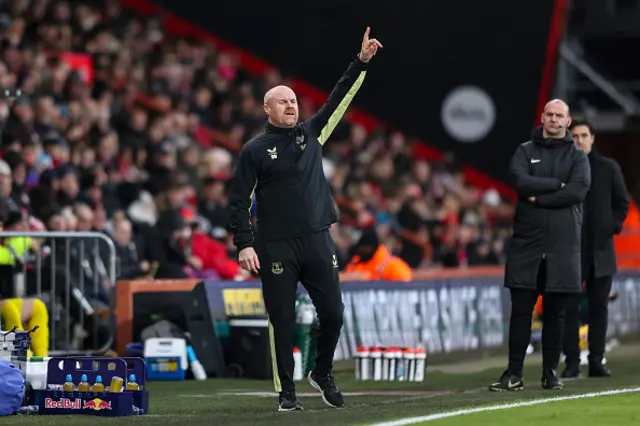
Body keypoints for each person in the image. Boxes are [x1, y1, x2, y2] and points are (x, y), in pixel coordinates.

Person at [228, 27, 382, 412]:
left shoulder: (311, 135)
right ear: (267, 110)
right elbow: (237, 201)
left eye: (294, 101)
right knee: (281, 321)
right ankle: (287, 396)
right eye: (282, 102)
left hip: (316, 238)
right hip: (276, 245)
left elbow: (338, 100)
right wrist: (244, 243)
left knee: (334, 313)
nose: (291, 106)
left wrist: (360, 63)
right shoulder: (254, 151)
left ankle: (322, 370)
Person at [489, 99, 590, 392]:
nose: (554, 120)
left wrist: (540, 195)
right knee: (521, 313)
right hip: (527, 245)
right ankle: (514, 373)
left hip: (562, 247)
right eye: (549, 114)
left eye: (559, 116)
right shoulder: (525, 151)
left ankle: (550, 374)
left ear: (568, 121)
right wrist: (555, 185)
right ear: (543, 117)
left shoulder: (578, 157)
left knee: (555, 315)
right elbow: (519, 181)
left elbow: (576, 191)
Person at [561, 119, 629, 378]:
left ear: (593, 138)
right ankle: (572, 363)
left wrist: (610, 226)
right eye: (574, 136)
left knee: (599, 309)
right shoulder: (563, 169)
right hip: (570, 251)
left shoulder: (608, 168)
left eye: (583, 135)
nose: (579, 140)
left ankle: (597, 360)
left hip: (600, 251)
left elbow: (621, 203)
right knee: (569, 308)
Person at [344, 228, 412, 281]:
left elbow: (404, 285)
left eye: (365, 247)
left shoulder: (390, 264)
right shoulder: (355, 262)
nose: (362, 250)